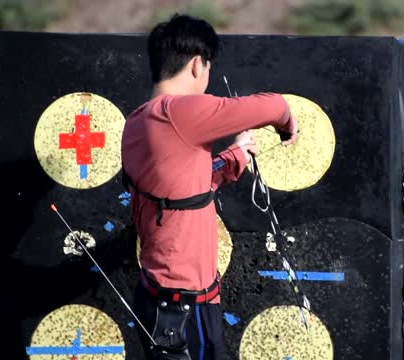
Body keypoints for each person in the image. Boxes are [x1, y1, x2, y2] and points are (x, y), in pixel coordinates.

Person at [121, 13, 298, 360]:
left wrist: (235, 156)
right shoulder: (180, 112)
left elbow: (176, 193)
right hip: (184, 308)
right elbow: (274, 105)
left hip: (159, 300)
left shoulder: (138, 121)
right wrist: (287, 123)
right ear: (198, 65)